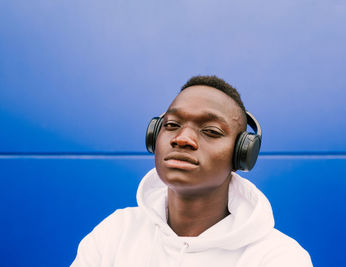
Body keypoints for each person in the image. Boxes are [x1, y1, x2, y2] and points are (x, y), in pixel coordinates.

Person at [71, 75, 312, 267]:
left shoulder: (278, 257)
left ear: (242, 154)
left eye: (211, 131)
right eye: (172, 125)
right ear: (154, 136)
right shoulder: (117, 232)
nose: (183, 138)